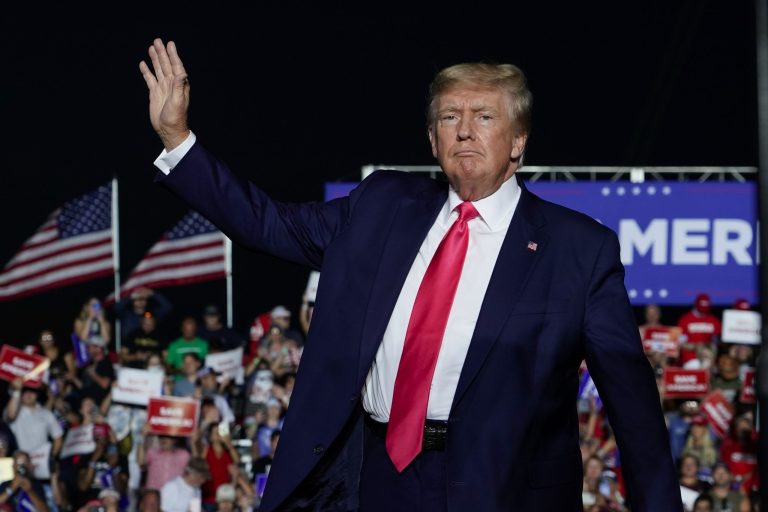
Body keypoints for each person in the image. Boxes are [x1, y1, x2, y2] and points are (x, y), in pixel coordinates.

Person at [140, 38, 681, 511]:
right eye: (449, 117)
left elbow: (634, 412)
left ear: (518, 141)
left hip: (506, 489)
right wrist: (177, 137)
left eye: (484, 117)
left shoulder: (579, 250)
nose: (464, 131)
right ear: (432, 140)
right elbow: (267, 224)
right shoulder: (382, 206)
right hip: (379, 478)